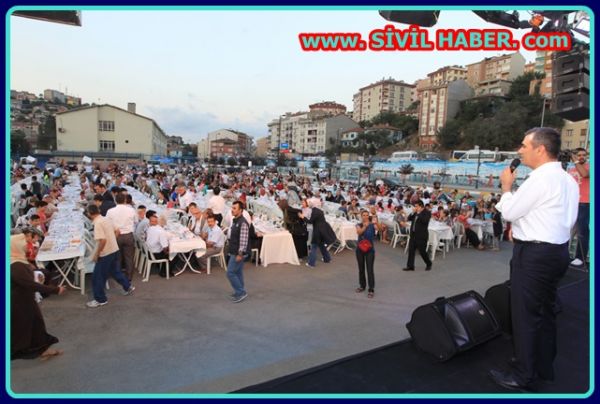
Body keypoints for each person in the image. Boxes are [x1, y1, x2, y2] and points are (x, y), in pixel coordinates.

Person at [489, 127, 578, 392]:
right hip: (556, 252)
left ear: (540, 149)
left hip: (534, 257)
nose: (520, 150)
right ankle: (541, 365)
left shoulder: (540, 180)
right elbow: (560, 218)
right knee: (545, 312)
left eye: (524, 145)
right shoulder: (567, 179)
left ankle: (523, 375)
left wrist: (506, 187)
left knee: (526, 315)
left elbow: (510, 212)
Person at [11, 233, 66, 360]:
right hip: (18, 302)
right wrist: (55, 290)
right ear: (16, 247)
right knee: (25, 327)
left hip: (23, 300)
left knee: (35, 324)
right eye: (23, 244)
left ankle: (42, 350)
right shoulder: (15, 265)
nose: (26, 246)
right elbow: (29, 284)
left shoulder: (16, 260)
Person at [85, 205, 135, 308]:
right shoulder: (105, 219)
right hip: (114, 249)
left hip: (105, 253)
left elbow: (102, 240)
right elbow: (117, 231)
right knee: (115, 272)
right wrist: (112, 240)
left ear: (89, 213)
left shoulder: (98, 223)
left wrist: (97, 254)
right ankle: (128, 286)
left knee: (98, 277)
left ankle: (100, 299)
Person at [106, 193, 137, 281]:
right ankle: (129, 276)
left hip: (116, 234)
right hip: (128, 235)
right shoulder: (131, 210)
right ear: (125, 200)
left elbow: (107, 223)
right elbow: (136, 221)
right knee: (129, 257)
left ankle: (118, 274)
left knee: (117, 257)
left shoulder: (110, 211)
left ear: (115, 201)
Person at [568, 148, 589, 268]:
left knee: (582, 232)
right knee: (568, 230)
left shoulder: (589, 167)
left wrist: (575, 161)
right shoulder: (571, 169)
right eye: (579, 155)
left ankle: (581, 257)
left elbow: (585, 175)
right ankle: (566, 253)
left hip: (584, 203)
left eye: (583, 155)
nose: (581, 157)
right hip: (572, 203)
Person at [225, 201, 251, 303]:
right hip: (234, 251)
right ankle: (239, 291)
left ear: (240, 210)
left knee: (230, 273)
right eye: (232, 208)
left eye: (235, 208)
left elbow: (243, 240)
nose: (232, 210)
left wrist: (240, 254)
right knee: (238, 272)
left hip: (238, 253)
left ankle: (241, 292)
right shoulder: (236, 220)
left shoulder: (242, 223)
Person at [299, 202, 336, 268]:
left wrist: (303, 217)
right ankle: (327, 259)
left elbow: (310, 221)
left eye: (309, 203)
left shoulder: (314, 211)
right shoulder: (319, 211)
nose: (308, 204)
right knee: (321, 245)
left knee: (314, 246)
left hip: (318, 231)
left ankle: (311, 263)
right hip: (323, 229)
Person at [402, 200, 433, 271]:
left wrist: (418, 213)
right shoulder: (415, 212)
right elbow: (409, 218)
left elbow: (425, 221)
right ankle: (410, 266)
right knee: (411, 251)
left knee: (422, 252)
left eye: (416, 206)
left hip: (421, 236)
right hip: (413, 235)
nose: (415, 208)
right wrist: (413, 212)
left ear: (421, 206)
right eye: (415, 206)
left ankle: (429, 263)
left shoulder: (427, 213)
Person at [355, 210, 376, 298]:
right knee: (361, 269)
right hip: (360, 249)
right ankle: (362, 286)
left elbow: (381, 229)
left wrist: (377, 222)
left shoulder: (372, 225)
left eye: (367, 215)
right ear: (361, 216)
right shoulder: (358, 224)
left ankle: (371, 289)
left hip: (370, 250)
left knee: (370, 270)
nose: (365, 216)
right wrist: (364, 226)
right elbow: (359, 232)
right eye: (364, 215)